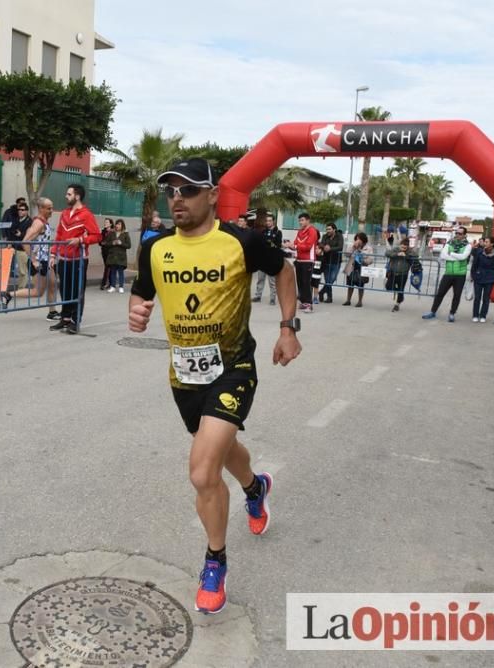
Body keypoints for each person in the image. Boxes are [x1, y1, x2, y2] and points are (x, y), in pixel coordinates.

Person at [128, 157, 301, 615]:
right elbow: (142, 290)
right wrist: (138, 310)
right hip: (183, 374)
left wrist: (288, 327)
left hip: (234, 366)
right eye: (171, 191)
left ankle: (215, 561)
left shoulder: (241, 241)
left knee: (203, 472)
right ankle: (255, 488)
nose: (177, 199)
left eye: (187, 190)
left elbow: (284, 271)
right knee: (221, 451)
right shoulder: (156, 247)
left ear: (212, 195)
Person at [51, 184, 101, 334]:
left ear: (77, 196)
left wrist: (80, 240)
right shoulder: (65, 213)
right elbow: (59, 235)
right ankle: (65, 318)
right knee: (65, 290)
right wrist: (53, 254)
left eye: (69, 194)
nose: (66, 196)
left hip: (79, 259)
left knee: (77, 291)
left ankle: (75, 320)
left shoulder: (87, 215)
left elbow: (97, 236)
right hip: (63, 259)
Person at [1, 197, 59, 317]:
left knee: (53, 283)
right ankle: (8, 295)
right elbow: (25, 241)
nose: (51, 211)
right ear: (41, 208)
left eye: (52, 208)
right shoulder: (38, 223)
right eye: (49, 208)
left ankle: (52, 312)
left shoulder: (43, 222)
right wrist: (34, 261)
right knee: (37, 292)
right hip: (39, 262)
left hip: (45, 260)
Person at [422, 226, 472, 322]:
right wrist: (455, 256)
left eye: (460, 233)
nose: (457, 235)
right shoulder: (449, 243)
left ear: (465, 235)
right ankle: (433, 312)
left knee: (457, 295)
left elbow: (463, 257)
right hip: (448, 273)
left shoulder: (468, 246)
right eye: (456, 233)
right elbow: (443, 255)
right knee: (440, 293)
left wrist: (451, 254)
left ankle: (452, 313)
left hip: (460, 275)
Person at [284, 213, 319, 312]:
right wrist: (289, 245)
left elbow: (307, 246)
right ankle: (303, 302)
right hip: (299, 260)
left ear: (308, 220)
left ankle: (309, 304)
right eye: (299, 220)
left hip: (308, 260)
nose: (300, 222)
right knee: (300, 282)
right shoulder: (300, 231)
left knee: (306, 282)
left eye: (302, 220)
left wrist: (295, 246)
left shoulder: (312, 231)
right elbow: (295, 243)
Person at [469, 236, 494, 323]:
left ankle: (483, 315)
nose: (485, 243)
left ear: (492, 244)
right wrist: (473, 275)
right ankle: (475, 315)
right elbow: (474, 265)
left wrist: (492, 273)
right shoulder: (480, 252)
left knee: (486, 298)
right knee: (477, 297)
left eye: (487, 242)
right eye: (485, 242)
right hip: (478, 277)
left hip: (490, 279)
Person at [252, 214, 283, 305]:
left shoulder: (278, 232)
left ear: (273, 221)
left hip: (272, 260)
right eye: (267, 221)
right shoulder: (263, 231)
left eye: (270, 220)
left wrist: (269, 243)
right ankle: (258, 296)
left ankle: (272, 298)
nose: (268, 222)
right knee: (260, 279)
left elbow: (278, 245)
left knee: (272, 281)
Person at [385, 237, 417, 312]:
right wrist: (397, 254)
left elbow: (416, 256)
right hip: (392, 272)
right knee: (388, 286)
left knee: (401, 288)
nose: (404, 247)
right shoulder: (396, 249)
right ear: (400, 245)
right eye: (403, 245)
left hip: (403, 274)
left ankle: (397, 304)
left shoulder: (410, 251)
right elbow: (387, 253)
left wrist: (406, 256)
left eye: (406, 245)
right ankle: (399, 293)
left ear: (408, 246)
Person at [6, 201, 33, 291]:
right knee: (8, 267)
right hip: (14, 247)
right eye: (19, 210)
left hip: (22, 249)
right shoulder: (16, 220)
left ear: (26, 211)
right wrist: (9, 242)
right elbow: (11, 232)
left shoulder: (29, 221)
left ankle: (21, 288)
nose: (20, 211)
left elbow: (30, 235)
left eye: (22, 210)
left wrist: (21, 234)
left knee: (22, 270)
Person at [342, 232, 373, 307]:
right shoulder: (352, 246)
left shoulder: (368, 248)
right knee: (350, 284)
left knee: (361, 285)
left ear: (363, 240)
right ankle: (348, 300)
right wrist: (353, 247)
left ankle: (360, 301)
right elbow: (346, 254)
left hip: (362, 268)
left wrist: (363, 259)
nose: (358, 240)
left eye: (359, 239)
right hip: (352, 267)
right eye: (356, 239)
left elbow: (371, 259)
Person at [102, 219, 131, 293]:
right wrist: (113, 243)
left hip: (121, 256)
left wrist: (121, 243)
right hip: (112, 255)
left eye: (119, 224)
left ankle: (121, 287)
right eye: (117, 224)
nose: (117, 226)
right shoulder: (111, 233)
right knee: (113, 271)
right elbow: (106, 243)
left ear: (122, 225)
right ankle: (113, 286)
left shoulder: (125, 234)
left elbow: (129, 245)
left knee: (121, 272)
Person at [318, 223, 343, 304]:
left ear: (334, 229)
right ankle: (330, 297)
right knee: (328, 280)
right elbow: (321, 244)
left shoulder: (339, 236)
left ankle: (321, 292)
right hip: (326, 261)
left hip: (336, 262)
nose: (327, 231)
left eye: (329, 229)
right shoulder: (325, 236)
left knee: (332, 279)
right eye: (327, 229)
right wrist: (324, 247)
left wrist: (330, 248)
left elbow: (340, 247)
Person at [99, 218, 115, 290]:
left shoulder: (113, 232)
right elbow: (100, 241)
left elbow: (112, 242)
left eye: (107, 222)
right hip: (104, 252)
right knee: (108, 267)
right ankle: (110, 283)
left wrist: (105, 243)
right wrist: (102, 243)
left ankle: (104, 283)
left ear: (111, 224)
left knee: (107, 267)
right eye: (105, 222)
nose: (105, 223)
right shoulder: (103, 231)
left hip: (111, 252)